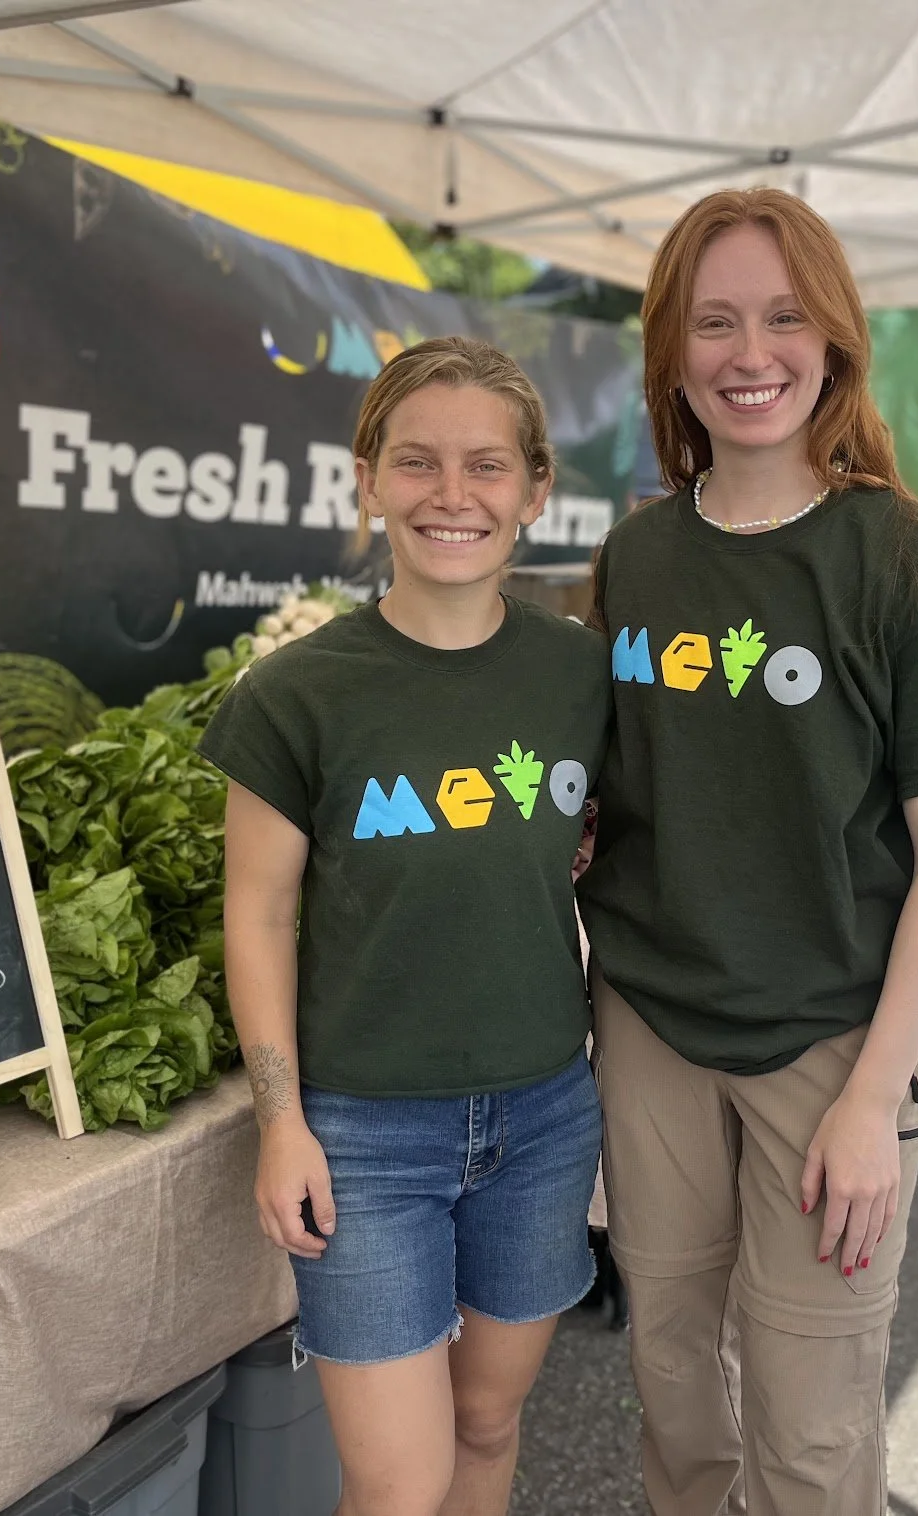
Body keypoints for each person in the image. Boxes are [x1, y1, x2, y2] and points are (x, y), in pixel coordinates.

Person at [579, 188, 918, 1515]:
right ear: (670, 349)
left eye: (784, 317)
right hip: (652, 1026)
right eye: (712, 321)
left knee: (811, 1427)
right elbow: (631, 792)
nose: (749, 353)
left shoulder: (910, 562)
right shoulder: (635, 561)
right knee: (672, 1389)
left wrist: (869, 1099)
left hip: (833, 1043)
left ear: (833, 336)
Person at [204, 336, 609, 1516]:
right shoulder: (295, 695)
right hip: (367, 1138)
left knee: (486, 1427)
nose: (453, 494)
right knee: (398, 1483)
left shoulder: (581, 677)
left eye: (488, 466)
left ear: (535, 491)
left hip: (542, 1115)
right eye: (418, 461)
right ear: (368, 477)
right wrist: (283, 1121)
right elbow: (258, 912)